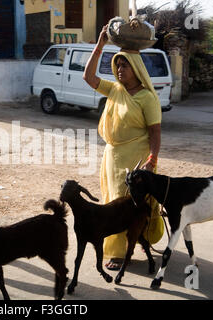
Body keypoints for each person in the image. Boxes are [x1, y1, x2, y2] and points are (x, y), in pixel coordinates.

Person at [84, 25, 164, 270]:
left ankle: (121, 252)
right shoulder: (115, 89)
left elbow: (155, 132)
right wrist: (100, 45)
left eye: (125, 65)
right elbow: (89, 77)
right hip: (112, 155)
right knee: (113, 200)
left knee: (131, 202)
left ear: (136, 68)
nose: (119, 70)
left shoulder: (147, 98)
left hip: (137, 158)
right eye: (117, 65)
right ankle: (122, 245)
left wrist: (152, 159)